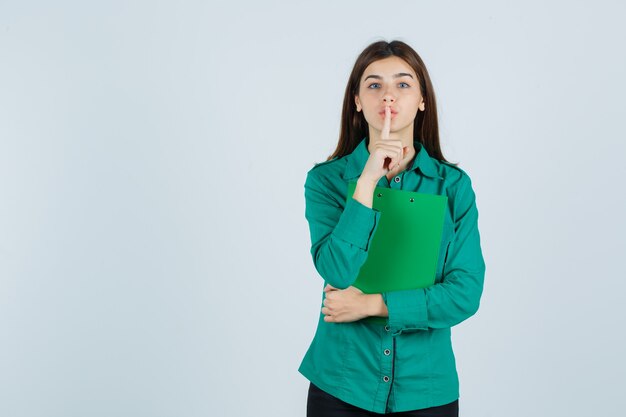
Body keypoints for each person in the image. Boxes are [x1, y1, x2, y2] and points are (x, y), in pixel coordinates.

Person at [298, 39, 486, 416]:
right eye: (374, 85)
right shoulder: (327, 181)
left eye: (402, 84)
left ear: (421, 100)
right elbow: (336, 270)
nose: (388, 96)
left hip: (426, 389)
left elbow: (464, 292)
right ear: (356, 100)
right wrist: (366, 183)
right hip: (341, 383)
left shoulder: (452, 187)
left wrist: (372, 304)